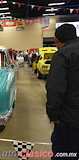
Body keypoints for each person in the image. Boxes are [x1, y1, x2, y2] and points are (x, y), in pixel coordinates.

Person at [46, 24, 79, 160]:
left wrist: (54, 115)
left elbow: (55, 87)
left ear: (56, 40)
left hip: (71, 120)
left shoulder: (63, 55)